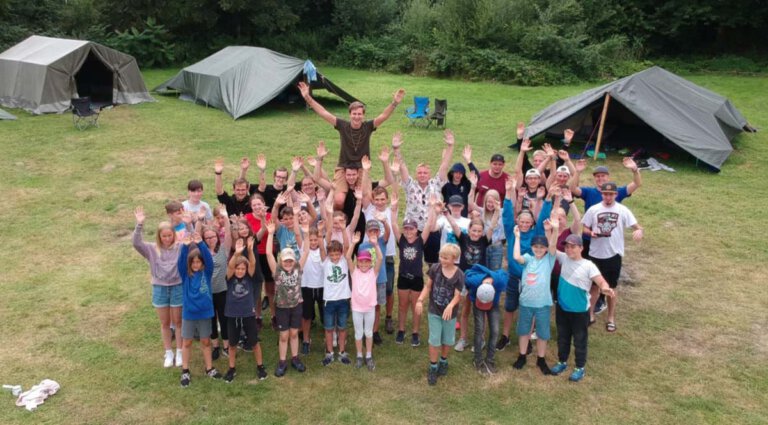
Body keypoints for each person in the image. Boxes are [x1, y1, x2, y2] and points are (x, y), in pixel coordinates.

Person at [298, 81, 405, 209]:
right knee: (338, 199)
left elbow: (384, 115)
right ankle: (338, 220)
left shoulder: (368, 126)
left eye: (359, 114)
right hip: (343, 167)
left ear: (363, 115)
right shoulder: (343, 125)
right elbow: (323, 112)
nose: (357, 117)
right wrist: (308, 98)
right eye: (354, 114)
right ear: (350, 115)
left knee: (366, 198)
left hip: (362, 167)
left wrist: (395, 103)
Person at [496, 177, 554, 352]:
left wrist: (548, 199)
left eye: (528, 222)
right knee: (510, 306)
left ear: (532, 224)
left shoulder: (536, 233)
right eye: (522, 221)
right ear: (518, 222)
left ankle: (527, 338)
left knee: (528, 309)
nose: (524, 224)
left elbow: (544, 216)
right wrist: (508, 193)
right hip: (514, 277)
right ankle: (505, 336)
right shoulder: (512, 232)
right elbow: (506, 215)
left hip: (531, 279)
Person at [550, 234, 615, 382]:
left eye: (573, 246)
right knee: (563, 337)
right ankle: (562, 362)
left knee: (580, 339)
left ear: (581, 248)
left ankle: (580, 367)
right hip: (562, 308)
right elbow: (551, 248)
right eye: (567, 246)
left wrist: (605, 288)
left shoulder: (588, 265)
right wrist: (553, 230)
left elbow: (600, 281)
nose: (569, 249)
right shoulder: (563, 258)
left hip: (579, 311)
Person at [581, 182, 644, 332]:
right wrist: (591, 233)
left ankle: (611, 317)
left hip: (614, 254)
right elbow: (584, 228)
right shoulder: (593, 209)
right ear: (601, 194)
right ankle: (590, 315)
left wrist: (639, 231)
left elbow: (637, 226)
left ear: (616, 195)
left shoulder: (622, 210)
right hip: (595, 253)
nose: (608, 197)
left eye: (611, 194)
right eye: (605, 194)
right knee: (594, 286)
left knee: (611, 288)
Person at [132, 206, 183, 368]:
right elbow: (136, 243)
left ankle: (180, 351)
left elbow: (194, 242)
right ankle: (168, 352)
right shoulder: (152, 249)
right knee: (165, 323)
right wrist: (139, 224)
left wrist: (189, 224)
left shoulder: (180, 248)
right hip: (160, 289)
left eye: (169, 235)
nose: (167, 239)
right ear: (159, 237)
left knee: (179, 322)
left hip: (177, 287)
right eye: (164, 236)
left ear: (173, 235)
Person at [395, 130, 455, 265]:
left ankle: (432, 284)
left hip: (432, 227)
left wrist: (450, 146)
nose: (422, 175)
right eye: (420, 173)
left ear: (430, 174)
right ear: (416, 174)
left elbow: (444, 166)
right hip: (413, 229)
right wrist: (396, 150)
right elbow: (402, 168)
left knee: (432, 262)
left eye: (425, 173)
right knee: (411, 261)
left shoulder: (436, 183)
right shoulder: (410, 185)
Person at [511, 219, 558, 375]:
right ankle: (522, 355)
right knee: (524, 331)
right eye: (536, 247)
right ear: (532, 247)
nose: (539, 249)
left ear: (545, 249)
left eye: (542, 247)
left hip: (543, 304)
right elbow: (516, 256)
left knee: (542, 333)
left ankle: (541, 359)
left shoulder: (549, 259)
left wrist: (554, 230)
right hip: (525, 302)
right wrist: (517, 237)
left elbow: (553, 245)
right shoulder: (528, 259)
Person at [390, 193, 437, 346]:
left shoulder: (420, 240)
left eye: (411, 229)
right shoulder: (401, 240)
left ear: (417, 230)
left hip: (417, 278)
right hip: (403, 277)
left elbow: (429, 224)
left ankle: (415, 332)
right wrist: (394, 209)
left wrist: (431, 207)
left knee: (416, 305)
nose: (409, 231)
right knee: (403, 305)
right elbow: (393, 224)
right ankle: (401, 330)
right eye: (406, 229)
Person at [416, 244, 465, 386]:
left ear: (454, 259)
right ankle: (433, 366)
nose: (442, 260)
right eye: (441, 257)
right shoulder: (435, 268)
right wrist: (420, 300)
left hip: (449, 313)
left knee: (447, 339)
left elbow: (457, 296)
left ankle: (443, 361)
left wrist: (450, 305)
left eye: (445, 258)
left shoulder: (459, 274)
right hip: (434, 310)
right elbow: (428, 286)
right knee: (434, 339)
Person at [177, 233, 222, 387]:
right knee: (187, 342)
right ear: (189, 264)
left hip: (205, 313)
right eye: (193, 262)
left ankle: (209, 368)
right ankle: (185, 370)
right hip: (189, 314)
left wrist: (201, 243)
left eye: (198, 262)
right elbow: (181, 263)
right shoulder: (185, 275)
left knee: (205, 341)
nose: (196, 265)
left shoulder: (206, 273)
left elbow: (209, 260)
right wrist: (185, 246)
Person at [223, 237, 267, 383]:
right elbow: (229, 267)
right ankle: (231, 368)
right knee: (233, 344)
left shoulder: (249, 276)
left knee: (254, 342)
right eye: (238, 268)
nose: (240, 271)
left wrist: (249, 250)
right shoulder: (229, 277)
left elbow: (253, 263)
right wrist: (236, 254)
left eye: (242, 268)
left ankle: (260, 366)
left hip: (248, 314)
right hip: (232, 315)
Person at [266, 222, 306, 377]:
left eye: (290, 260)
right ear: (281, 261)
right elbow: (269, 254)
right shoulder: (277, 271)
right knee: (284, 336)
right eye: (285, 261)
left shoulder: (298, 269)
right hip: (282, 307)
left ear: (294, 261)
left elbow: (306, 251)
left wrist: (307, 234)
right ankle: (282, 361)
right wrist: (270, 234)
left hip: (296, 306)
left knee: (294, 334)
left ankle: (295, 358)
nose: (288, 263)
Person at [198, 205, 232, 361]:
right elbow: (196, 236)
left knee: (224, 319)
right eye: (208, 238)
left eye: (213, 236)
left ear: (218, 237)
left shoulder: (223, 250)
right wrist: (199, 220)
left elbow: (229, 233)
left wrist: (225, 217)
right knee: (211, 320)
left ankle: (226, 346)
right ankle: (216, 346)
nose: (211, 239)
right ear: (204, 240)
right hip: (207, 292)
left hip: (222, 290)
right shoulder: (201, 253)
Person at [348, 232, 384, 370]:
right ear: (357, 262)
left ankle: (368, 355)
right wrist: (353, 243)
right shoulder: (354, 272)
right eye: (361, 261)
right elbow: (347, 257)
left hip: (369, 308)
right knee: (358, 333)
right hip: (357, 308)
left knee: (368, 333)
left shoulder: (373, 273)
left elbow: (380, 258)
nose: (363, 264)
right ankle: (359, 355)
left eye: (366, 261)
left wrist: (375, 244)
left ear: (370, 263)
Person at [464, 265, 507, 374]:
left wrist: (492, 278)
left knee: (495, 330)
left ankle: (490, 360)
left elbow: (504, 273)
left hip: (494, 304)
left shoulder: (500, 282)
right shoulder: (474, 280)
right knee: (479, 329)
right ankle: (477, 360)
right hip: (477, 303)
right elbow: (467, 273)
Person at [321, 231, 353, 366]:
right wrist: (319, 234)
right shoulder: (325, 262)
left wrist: (343, 228)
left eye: (337, 254)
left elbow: (346, 246)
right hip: (329, 301)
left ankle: (342, 352)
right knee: (328, 328)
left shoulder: (345, 261)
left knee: (342, 327)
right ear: (328, 254)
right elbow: (322, 248)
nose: (334, 257)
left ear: (341, 253)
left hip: (343, 300)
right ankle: (329, 353)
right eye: (332, 254)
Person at [299, 227, 326, 354]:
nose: (313, 242)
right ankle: (306, 340)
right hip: (307, 287)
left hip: (322, 287)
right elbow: (299, 236)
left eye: (316, 240)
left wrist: (321, 233)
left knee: (325, 315)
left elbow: (327, 234)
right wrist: (304, 232)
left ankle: (329, 339)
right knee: (306, 316)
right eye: (311, 240)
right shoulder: (304, 249)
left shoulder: (322, 249)